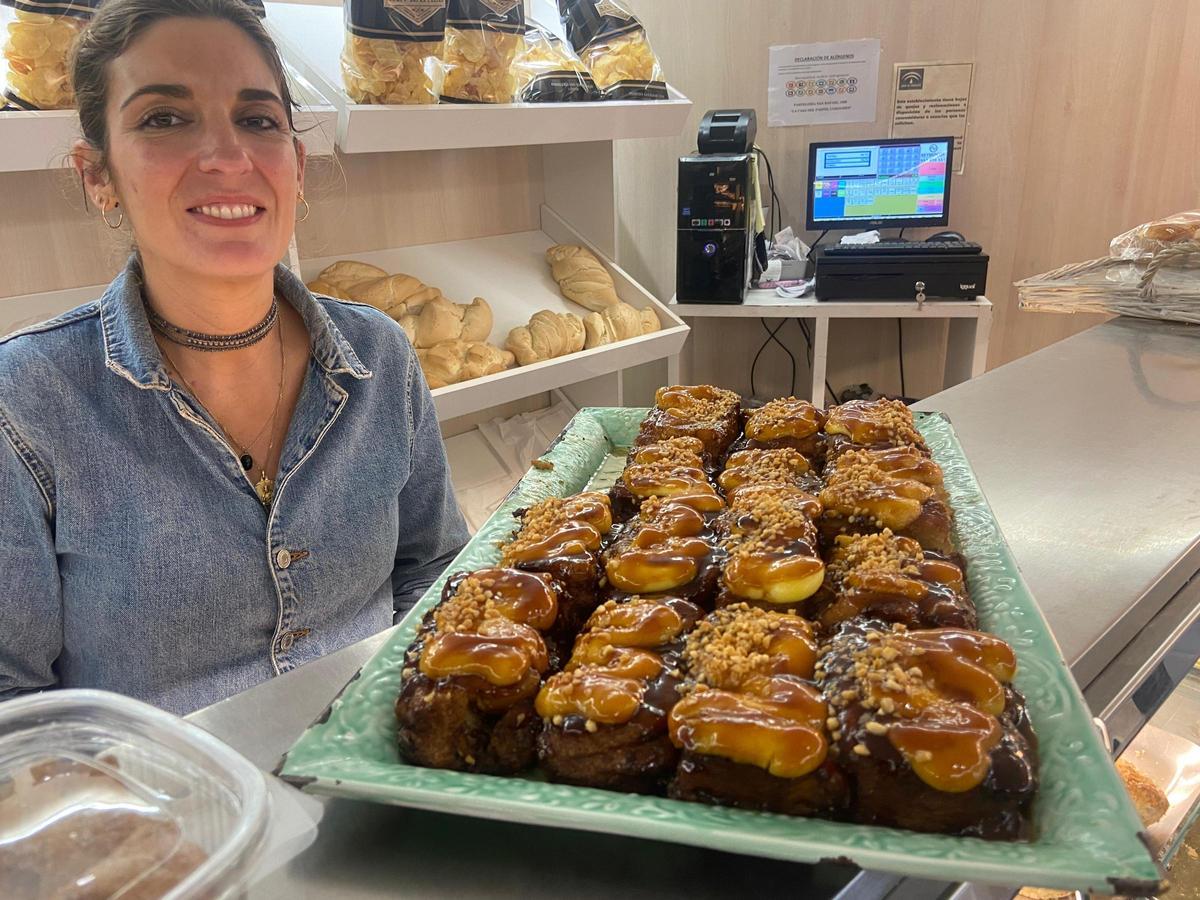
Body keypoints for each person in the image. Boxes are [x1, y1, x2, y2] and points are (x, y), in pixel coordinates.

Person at [0, 0, 469, 715]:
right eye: (163, 118)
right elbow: (15, 707)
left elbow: (434, 576)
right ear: (97, 175)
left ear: (298, 164)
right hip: (164, 816)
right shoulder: (26, 402)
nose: (227, 158)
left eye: (257, 120)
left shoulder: (380, 356)